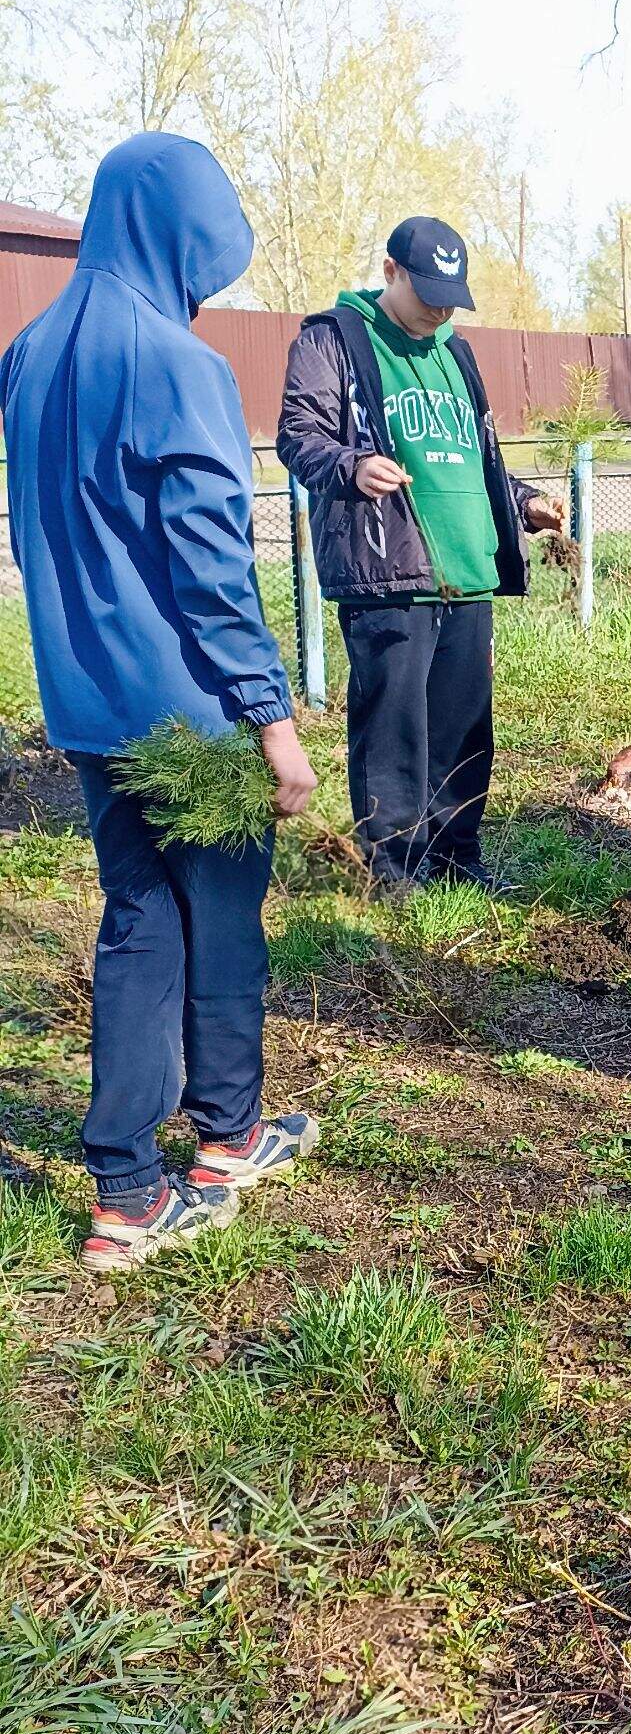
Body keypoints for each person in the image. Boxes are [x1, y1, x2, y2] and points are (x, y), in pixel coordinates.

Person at [0, 133, 321, 1275]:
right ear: (183, 231)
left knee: (138, 924)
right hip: (194, 717)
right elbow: (211, 570)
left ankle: (126, 1192)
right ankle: (227, 1142)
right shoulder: (178, 363)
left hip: (86, 708)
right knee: (223, 924)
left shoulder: (27, 355)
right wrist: (274, 723)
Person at [275, 218, 565, 891]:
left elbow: (475, 456)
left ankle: (459, 859)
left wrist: (522, 503)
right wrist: (351, 465)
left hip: (468, 573)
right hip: (388, 572)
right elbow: (298, 435)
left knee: (465, 735)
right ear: (390, 272)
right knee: (393, 737)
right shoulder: (334, 339)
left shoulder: (456, 353)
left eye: (451, 295)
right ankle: (397, 871)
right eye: (427, 290)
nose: (439, 308)